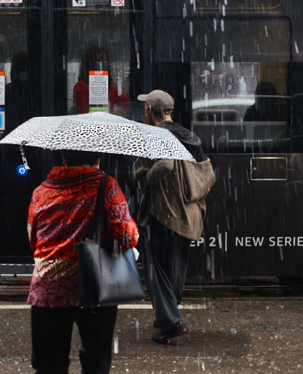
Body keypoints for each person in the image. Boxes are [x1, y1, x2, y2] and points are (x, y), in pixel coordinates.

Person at [27, 149, 139, 373]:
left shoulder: (41, 191)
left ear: (64, 159)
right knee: (95, 361)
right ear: (98, 158)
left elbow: (33, 237)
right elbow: (128, 236)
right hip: (95, 285)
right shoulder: (106, 186)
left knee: (49, 364)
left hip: (48, 289)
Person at [131, 90, 215, 345]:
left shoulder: (160, 135)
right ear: (170, 111)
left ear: (148, 110)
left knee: (156, 271)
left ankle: (171, 323)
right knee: (174, 267)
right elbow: (208, 176)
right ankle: (169, 313)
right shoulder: (189, 136)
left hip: (163, 214)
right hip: (187, 215)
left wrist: (145, 180)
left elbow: (165, 165)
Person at [72, 45, 129, 115]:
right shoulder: (81, 86)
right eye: (99, 60)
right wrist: (113, 114)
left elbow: (124, 103)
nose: (102, 64)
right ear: (90, 63)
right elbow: (86, 113)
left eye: (105, 61)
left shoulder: (110, 87)